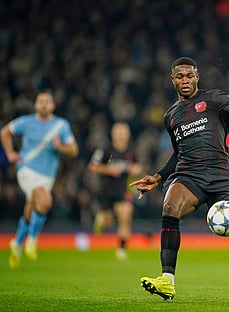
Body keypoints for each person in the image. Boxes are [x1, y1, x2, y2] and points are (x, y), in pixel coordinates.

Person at [129, 57, 229, 301]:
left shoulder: (215, 100)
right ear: (172, 79)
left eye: (189, 76)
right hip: (188, 176)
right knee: (170, 206)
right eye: (180, 76)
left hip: (220, 177)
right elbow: (178, 153)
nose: (185, 80)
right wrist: (158, 176)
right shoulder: (171, 116)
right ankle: (167, 280)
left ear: (197, 77)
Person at [1, 90, 79, 269]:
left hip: (47, 175)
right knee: (45, 200)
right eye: (40, 101)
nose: (44, 105)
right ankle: (32, 241)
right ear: (36, 105)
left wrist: (61, 147)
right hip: (26, 169)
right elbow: (5, 132)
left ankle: (17, 243)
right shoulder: (26, 122)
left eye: (47, 102)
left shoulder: (60, 125)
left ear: (53, 105)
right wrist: (10, 153)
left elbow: (74, 150)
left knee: (33, 205)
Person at [88, 122, 142, 260]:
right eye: (118, 131)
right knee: (108, 222)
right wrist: (108, 170)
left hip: (122, 189)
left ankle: (122, 248)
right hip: (105, 190)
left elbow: (137, 167)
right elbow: (93, 166)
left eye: (123, 131)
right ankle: (101, 220)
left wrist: (135, 170)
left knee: (125, 216)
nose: (121, 134)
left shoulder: (131, 151)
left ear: (128, 134)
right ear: (113, 133)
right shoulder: (106, 150)